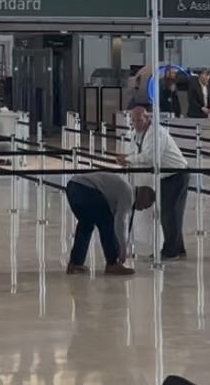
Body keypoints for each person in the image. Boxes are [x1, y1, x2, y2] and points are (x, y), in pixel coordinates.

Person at [63, 169, 154, 277]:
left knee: (86, 224)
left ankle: (75, 264)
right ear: (144, 196)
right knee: (106, 223)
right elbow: (120, 221)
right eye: (146, 205)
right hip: (85, 188)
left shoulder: (123, 189)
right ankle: (112, 263)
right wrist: (123, 248)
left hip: (73, 187)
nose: (142, 209)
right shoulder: (128, 193)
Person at [129, 105, 191, 260]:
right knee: (171, 213)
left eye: (139, 120)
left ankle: (171, 251)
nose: (136, 124)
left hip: (176, 174)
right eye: (134, 121)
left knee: (169, 213)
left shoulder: (156, 133)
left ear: (147, 118)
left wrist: (128, 159)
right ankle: (177, 248)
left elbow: (150, 157)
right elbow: (140, 154)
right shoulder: (139, 133)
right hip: (166, 175)